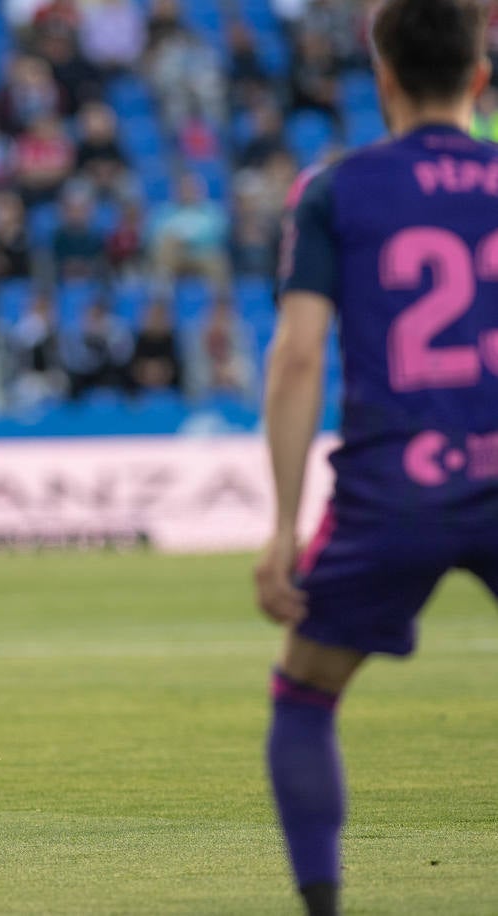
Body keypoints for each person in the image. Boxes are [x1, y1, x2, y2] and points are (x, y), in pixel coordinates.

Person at [255, 3, 498, 913]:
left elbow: (298, 356)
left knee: (307, 694)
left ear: (382, 74)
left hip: (397, 486)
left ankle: (323, 905)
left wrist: (282, 528)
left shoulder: (336, 189)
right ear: (479, 77)